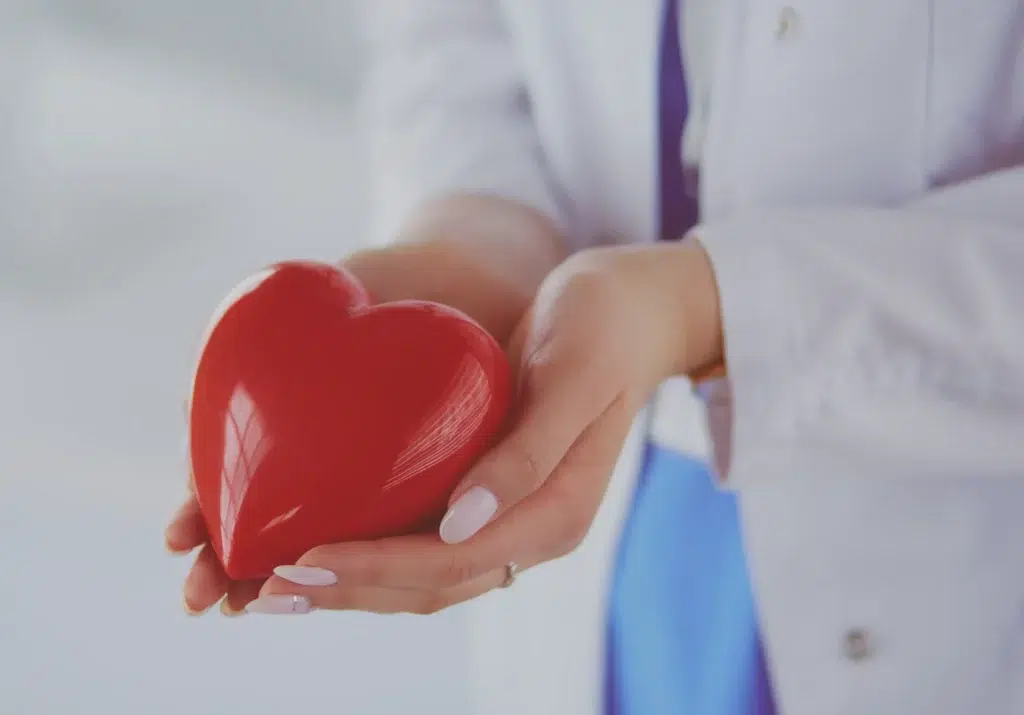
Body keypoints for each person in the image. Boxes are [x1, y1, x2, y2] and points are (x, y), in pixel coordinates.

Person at [166, 1, 1024, 713]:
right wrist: (477, 228)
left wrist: (705, 304)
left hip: (940, 535)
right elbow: (449, 33)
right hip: (590, 512)